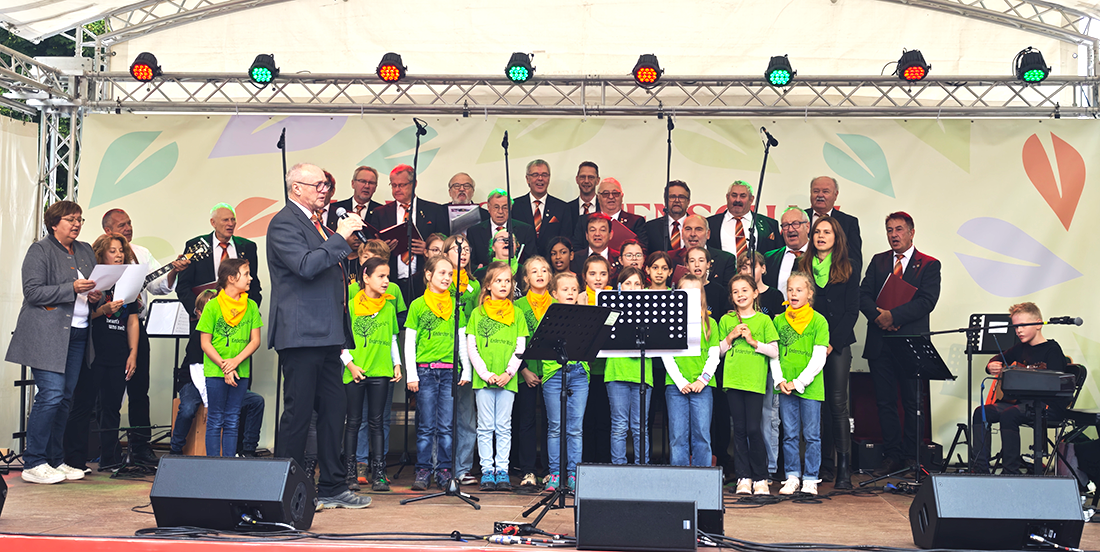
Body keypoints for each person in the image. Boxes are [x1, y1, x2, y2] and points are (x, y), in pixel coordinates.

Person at [267, 162, 371, 509]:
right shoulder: (283, 223)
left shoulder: (320, 225)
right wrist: (340, 239)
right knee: (299, 415)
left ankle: (332, 485)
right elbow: (306, 266)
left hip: (328, 335)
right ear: (295, 188)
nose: (324, 191)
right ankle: (284, 486)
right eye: (317, 185)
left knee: (334, 410)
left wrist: (345, 245)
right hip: (300, 335)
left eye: (326, 185)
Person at [8, 201, 97, 484]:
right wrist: (70, 288)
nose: (77, 224)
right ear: (54, 223)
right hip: (46, 335)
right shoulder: (40, 250)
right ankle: (34, 461)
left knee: (65, 399)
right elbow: (33, 292)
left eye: (80, 219)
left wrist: (98, 296)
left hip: (79, 332)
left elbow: (94, 287)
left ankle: (56, 461)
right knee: (51, 395)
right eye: (71, 219)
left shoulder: (85, 250)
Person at [100, 208, 189, 465]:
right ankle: (107, 450)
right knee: (107, 395)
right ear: (107, 230)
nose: (128, 228)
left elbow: (157, 286)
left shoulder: (141, 253)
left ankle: (140, 448)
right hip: (105, 329)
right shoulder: (97, 252)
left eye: (129, 223)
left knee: (140, 390)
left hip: (137, 326)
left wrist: (173, 270)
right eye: (121, 225)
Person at [858, 212, 941, 476]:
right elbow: (863, 295)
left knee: (913, 402)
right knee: (885, 402)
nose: (894, 235)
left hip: (911, 344)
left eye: (899, 230)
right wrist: (879, 318)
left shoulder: (929, 264)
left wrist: (893, 317)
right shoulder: (879, 261)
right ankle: (892, 455)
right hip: (881, 343)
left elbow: (926, 301)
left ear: (912, 232)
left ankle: (912, 457)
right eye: (889, 230)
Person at [64, 233, 139, 471]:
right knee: (83, 405)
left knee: (112, 407)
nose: (118, 255)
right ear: (101, 253)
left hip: (118, 352)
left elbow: (133, 321)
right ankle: (74, 459)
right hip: (93, 350)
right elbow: (82, 314)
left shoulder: (129, 281)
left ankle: (110, 459)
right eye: (113, 251)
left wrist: (133, 353)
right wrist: (103, 309)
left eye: (121, 251)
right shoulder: (91, 279)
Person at [798, 215, 859, 489]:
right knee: (813, 405)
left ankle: (843, 469)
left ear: (837, 238)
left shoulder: (848, 267)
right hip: (807, 346)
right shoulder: (802, 266)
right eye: (817, 232)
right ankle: (819, 466)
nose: (821, 236)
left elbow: (851, 311)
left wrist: (831, 342)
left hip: (837, 345)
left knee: (837, 405)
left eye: (827, 232)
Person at [972, 302, 1067, 474]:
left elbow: (1057, 385)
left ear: (1038, 324)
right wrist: (991, 366)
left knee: (1010, 414)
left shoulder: (1052, 350)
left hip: (1047, 406)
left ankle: (1010, 472)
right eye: (1016, 327)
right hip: (1021, 404)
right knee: (981, 412)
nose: (1019, 331)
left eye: (1023, 325)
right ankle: (980, 470)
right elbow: (997, 358)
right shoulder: (1020, 348)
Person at [169, 290, 264, 457]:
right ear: (198, 314)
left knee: (255, 402)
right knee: (188, 408)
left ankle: (248, 449)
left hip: (221, 380)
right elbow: (198, 371)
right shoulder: (198, 337)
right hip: (194, 382)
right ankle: (175, 448)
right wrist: (208, 401)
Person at [405, 255, 469, 491]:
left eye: (450, 274)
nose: (447, 278)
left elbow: (461, 338)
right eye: (441, 273)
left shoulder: (456, 304)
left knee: (446, 425)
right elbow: (409, 341)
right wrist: (412, 373)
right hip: (426, 372)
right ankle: (423, 469)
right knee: (426, 425)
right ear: (428, 275)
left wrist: (466, 369)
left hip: (449, 371)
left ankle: (444, 470)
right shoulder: (418, 305)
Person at [348, 239, 408, 486]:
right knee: (356, 420)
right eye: (363, 257)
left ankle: (378, 466)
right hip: (358, 366)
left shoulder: (391, 294)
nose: (384, 280)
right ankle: (357, 465)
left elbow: (395, 329)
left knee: (379, 418)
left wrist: (397, 362)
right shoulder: (352, 294)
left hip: (382, 364)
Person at [466, 261, 530, 491]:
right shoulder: (478, 313)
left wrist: (508, 372)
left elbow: (520, 347)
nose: (504, 285)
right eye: (498, 281)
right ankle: (487, 471)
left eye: (508, 281)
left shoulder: (518, 313)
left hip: (507, 379)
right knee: (485, 426)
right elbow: (471, 346)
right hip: (483, 380)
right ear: (488, 286)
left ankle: (502, 470)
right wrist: (485, 373)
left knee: (503, 425)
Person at [719, 274, 780, 495]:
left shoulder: (764, 321)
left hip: (754, 382)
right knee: (740, 429)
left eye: (745, 290)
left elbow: (774, 351)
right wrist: (731, 337)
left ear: (755, 293)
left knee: (754, 429)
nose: (740, 295)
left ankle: (760, 477)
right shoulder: (726, 321)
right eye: (735, 292)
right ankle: (743, 477)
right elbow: (717, 352)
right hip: (733, 380)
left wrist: (754, 342)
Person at [772, 272, 830, 496]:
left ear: (810, 294)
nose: (794, 294)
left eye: (799, 290)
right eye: (790, 289)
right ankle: (792, 475)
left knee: (812, 434)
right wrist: (780, 381)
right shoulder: (778, 321)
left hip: (809, 388)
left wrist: (799, 382)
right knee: (789, 434)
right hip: (786, 387)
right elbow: (774, 355)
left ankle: (811, 478)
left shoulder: (818, 321)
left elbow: (819, 358)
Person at [198, 258, 262, 458]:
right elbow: (205, 343)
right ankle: (213, 465)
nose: (250, 278)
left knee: (233, 418)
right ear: (231, 278)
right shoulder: (212, 306)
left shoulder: (250, 306)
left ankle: (228, 465)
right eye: (246, 274)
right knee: (216, 418)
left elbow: (255, 341)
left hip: (240, 370)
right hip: (216, 371)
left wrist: (235, 362)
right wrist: (225, 366)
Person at [369, 164, 450, 301]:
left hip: (425, 280)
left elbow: (446, 244)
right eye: (393, 185)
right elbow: (371, 246)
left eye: (402, 185)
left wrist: (428, 249)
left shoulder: (434, 210)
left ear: (414, 184)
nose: (397, 189)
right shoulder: (380, 213)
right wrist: (384, 249)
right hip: (390, 280)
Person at [604, 267, 658, 465]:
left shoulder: (650, 309)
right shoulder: (611, 308)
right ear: (619, 286)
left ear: (643, 287)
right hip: (617, 372)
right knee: (619, 425)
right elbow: (604, 334)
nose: (632, 288)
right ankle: (618, 467)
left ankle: (641, 468)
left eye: (637, 284)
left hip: (643, 374)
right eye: (628, 283)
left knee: (640, 426)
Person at [664, 274, 719, 468]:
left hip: (702, 387)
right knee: (678, 436)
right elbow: (666, 355)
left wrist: (702, 381)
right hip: (676, 386)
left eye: (695, 292)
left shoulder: (710, 324)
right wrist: (680, 382)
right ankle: (679, 480)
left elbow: (714, 356)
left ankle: (701, 477)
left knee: (702, 435)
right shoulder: (670, 321)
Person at [542, 271, 588, 491]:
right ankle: (555, 474)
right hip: (553, 374)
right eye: (565, 289)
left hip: (579, 373)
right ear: (554, 293)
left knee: (575, 428)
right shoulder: (548, 315)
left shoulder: (586, 315)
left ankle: (573, 475)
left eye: (574, 289)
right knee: (555, 427)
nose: (570, 292)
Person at [177, 203, 263, 318]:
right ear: (213, 223)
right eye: (225, 220)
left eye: (233, 220)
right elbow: (183, 285)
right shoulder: (195, 246)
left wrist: (251, 309)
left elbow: (254, 283)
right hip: (204, 318)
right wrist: (197, 310)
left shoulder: (248, 247)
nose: (231, 224)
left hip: (240, 317)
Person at [442, 235, 480, 487]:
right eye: (457, 249)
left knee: (467, 417)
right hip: (442, 353)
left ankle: (463, 467)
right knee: (442, 418)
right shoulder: (441, 281)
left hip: (466, 352)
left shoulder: (475, 286)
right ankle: (441, 467)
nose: (463, 253)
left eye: (466, 249)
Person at [513, 256, 553, 489]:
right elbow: (513, 344)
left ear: (550, 276)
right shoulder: (517, 307)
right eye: (534, 271)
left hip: (551, 373)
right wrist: (524, 370)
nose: (540, 274)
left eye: (544, 270)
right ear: (526, 279)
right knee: (526, 421)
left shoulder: (557, 303)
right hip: (525, 372)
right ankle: (528, 470)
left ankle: (549, 470)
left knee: (551, 422)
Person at [581, 254, 613, 464]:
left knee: (604, 419)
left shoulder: (615, 298)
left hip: (608, 369)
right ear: (584, 277)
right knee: (585, 420)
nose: (598, 278)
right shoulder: (579, 298)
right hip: (585, 371)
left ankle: (602, 463)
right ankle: (586, 463)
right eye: (593, 274)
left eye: (603, 273)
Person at [513, 160, 575, 257]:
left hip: (552, 265)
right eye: (535, 175)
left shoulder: (562, 208)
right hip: (523, 265)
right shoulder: (514, 206)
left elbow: (566, 240)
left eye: (544, 175)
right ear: (527, 179)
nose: (540, 178)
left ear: (549, 178)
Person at [467, 189, 537, 270]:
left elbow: (532, 261)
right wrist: (479, 269)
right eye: (496, 207)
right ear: (489, 208)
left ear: (510, 209)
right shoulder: (474, 232)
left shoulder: (525, 230)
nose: (500, 211)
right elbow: (470, 262)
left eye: (505, 207)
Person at [678, 215, 736, 312]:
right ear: (682, 233)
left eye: (698, 229)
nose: (693, 234)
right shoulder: (671, 258)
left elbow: (729, 297)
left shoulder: (725, 259)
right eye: (688, 229)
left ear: (708, 234)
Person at [707, 181, 781, 258]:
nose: (738, 200)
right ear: (727, 197)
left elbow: (778, 255)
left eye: (743, 196)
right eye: (734, 195)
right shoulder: (710, 224)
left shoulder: (769, 224)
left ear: (751, 199)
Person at [574, 178, 648, 252]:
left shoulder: (636, 221)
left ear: (622, 196)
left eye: (615, 193)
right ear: (598, 197)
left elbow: (643, 251)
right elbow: (577, 249)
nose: (611, 197)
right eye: (605, 194)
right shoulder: (584, 220)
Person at [806, 176, 862, 271]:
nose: (820, 195)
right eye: (816, 191)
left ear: (835, 195)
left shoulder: (849, 222)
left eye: (825, 191)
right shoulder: (800, 218)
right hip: (804, 278)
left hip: (837, 279)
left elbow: (855, 260)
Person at [762, 208, 810, 301]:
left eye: (796, 224)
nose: (790, 229)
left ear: (807, 227)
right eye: (785, 225)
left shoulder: (820, 256)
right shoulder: (769, 258)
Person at [643, 180, 691, 253]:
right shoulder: (650, 227)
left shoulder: (698, 226)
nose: (677, 200)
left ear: (688, 202)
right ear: (665, 200)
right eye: (672, 197)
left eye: (681, 197)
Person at [738, 252, 784, 317]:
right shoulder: (737, 294)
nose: (748, 272)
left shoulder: (775, 295)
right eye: (744, 268)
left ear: (763, 268)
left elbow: (779, 322)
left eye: (752, 267)